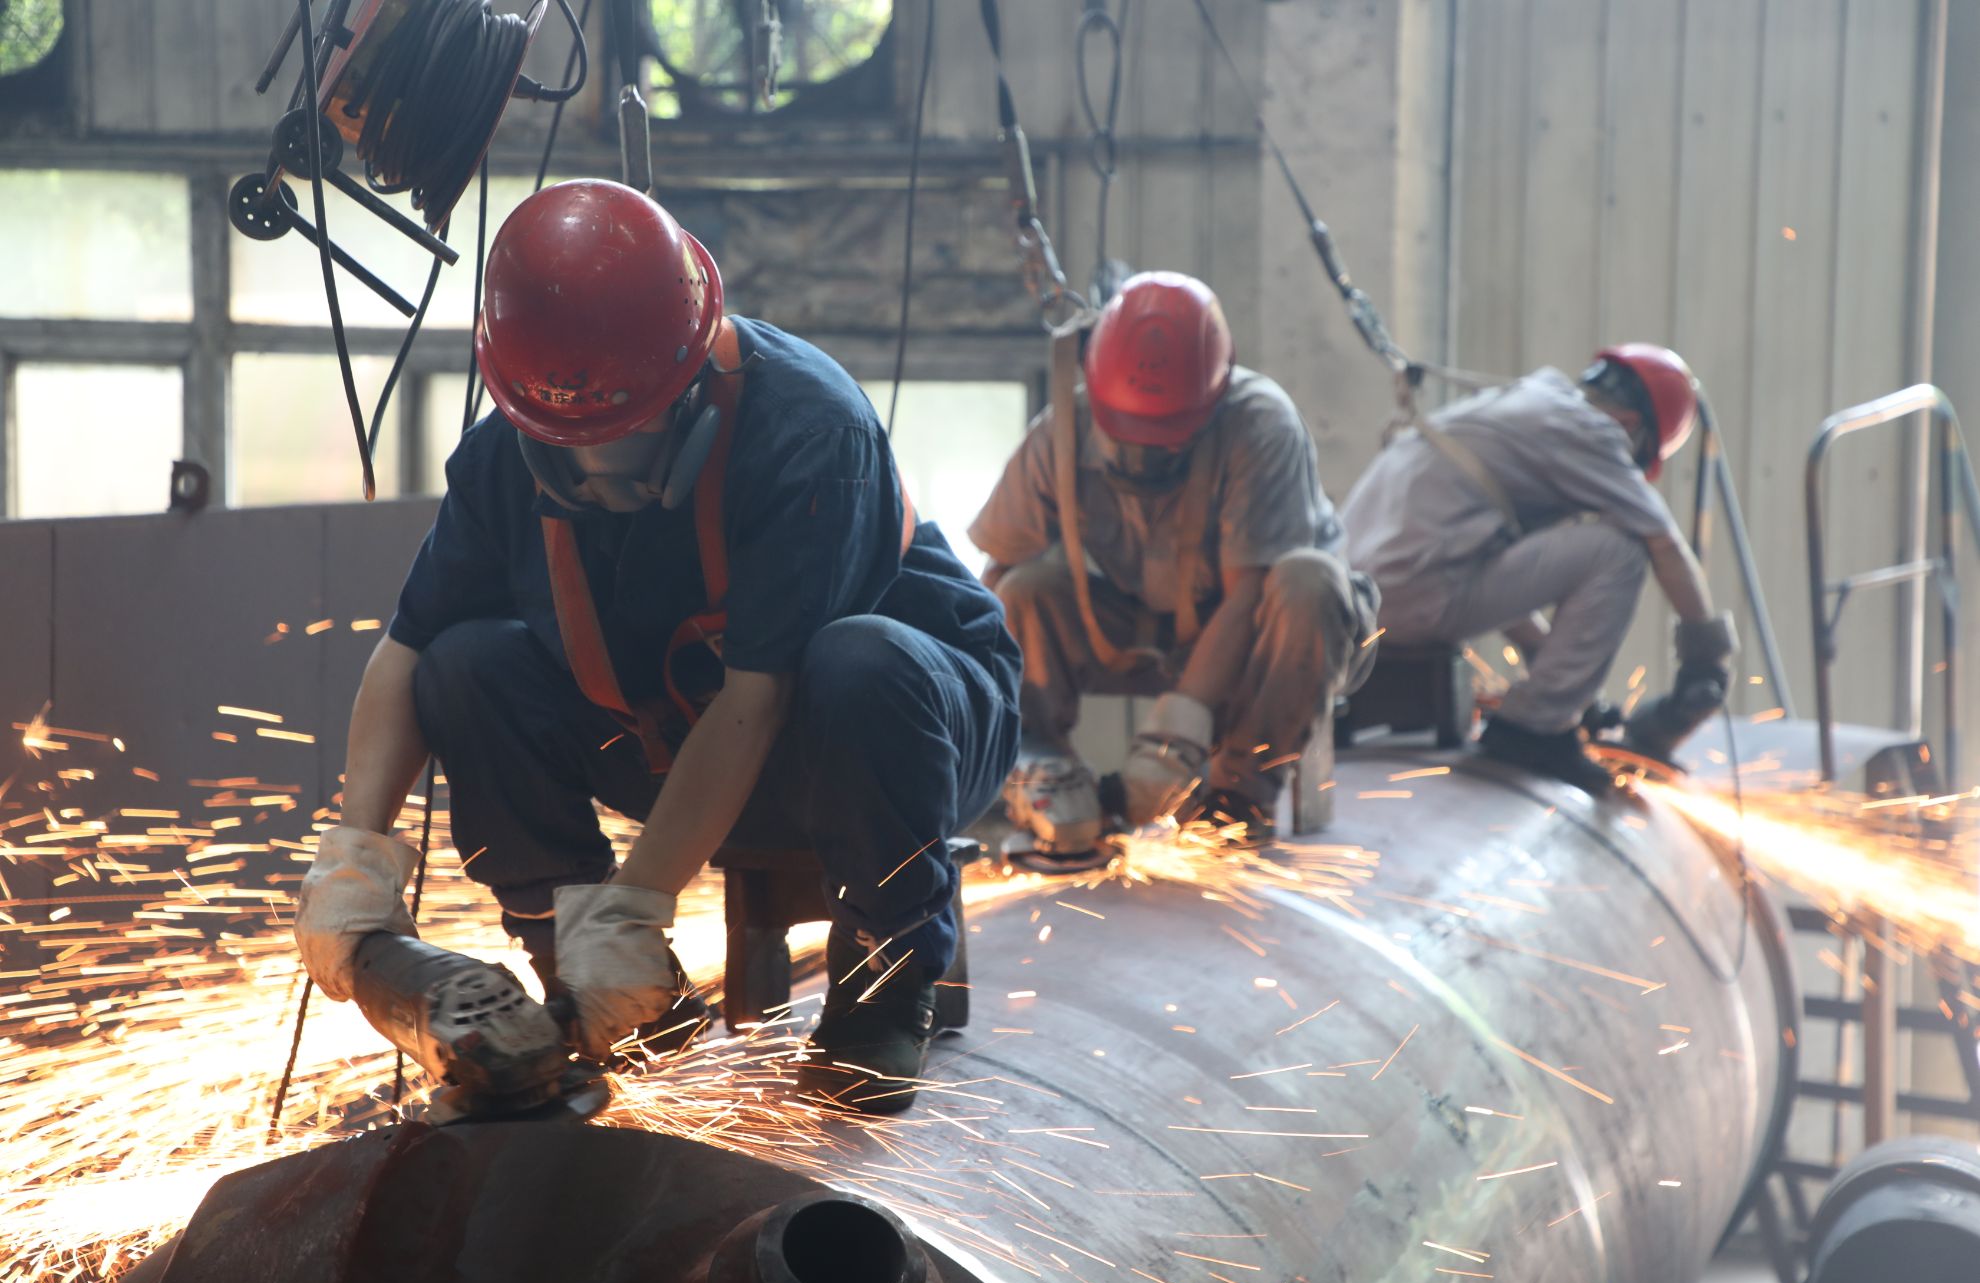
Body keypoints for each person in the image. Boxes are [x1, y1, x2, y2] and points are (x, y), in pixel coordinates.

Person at [291, 180, 1021, 1114]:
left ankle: (883, 981)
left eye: (629, 436)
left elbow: (758, 701)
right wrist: (354, 860)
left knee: (859, 659)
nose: (602, 473)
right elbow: (406, 651)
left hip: (894, 738)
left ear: (690, 376)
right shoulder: (502, 456)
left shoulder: (809, 433)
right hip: (678, 735)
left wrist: (637, 907)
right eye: (571, 444)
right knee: (466, 668)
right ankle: (594, 980)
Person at [968, 271, 1379, 854]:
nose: (1143, 453)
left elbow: (1248, 595)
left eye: (1165, 437)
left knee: (1308, 581)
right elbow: (991, 581)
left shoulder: (1261, 422)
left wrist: (1173, 740)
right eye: (1128, 431)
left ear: (1213, 395)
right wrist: (988, 726)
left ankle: (1238, 797)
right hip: (1142, 629)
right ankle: (1048, 780)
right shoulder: (1062, 431)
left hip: (1269, 640)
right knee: (1023, 589)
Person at [1338, 344, 1737, 794]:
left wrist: (1563, 678)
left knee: (1582, 549)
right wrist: (1706, 661)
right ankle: (1533, 730)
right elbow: (1663, 542)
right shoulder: (1591, 432)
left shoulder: (1530, 405)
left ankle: (1545, 712)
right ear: (1630, 425)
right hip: (1411, 597)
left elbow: (1478, 566)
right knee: (1620, 551)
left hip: (1355, 607)